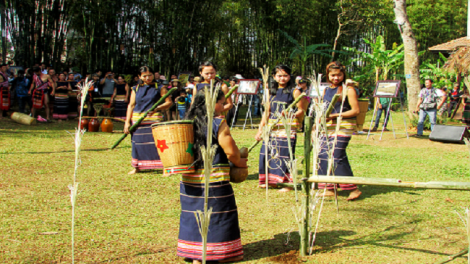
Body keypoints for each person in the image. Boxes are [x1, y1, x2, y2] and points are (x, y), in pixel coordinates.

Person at [178, 90, 246, 264]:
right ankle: (217, 254)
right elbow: (231, 151)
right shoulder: (218, 122)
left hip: (189, 180)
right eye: (222, 103)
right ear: (211, 103)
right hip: (215, 180)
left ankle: (195, 255)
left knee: (193, 215)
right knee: (219, 215)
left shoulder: (187, 122)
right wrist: (240, 164)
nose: (223, 108)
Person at [255, 65, 306, 192]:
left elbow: (302, 110)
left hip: (287, 127)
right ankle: (270, 181)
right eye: (279, 76)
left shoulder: (295, 91)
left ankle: (287, 183)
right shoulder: (270, 91)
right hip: (272, 126)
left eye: (285, 76)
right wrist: (260, 129)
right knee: (267, 153)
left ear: (290, 76)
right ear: (274, 77)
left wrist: (290, 114)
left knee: (284, 155)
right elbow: (267, 112)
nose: (282, 78)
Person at [317, 61, 362, 201]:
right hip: (328, 127)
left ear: (344, 75)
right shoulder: (326, 90)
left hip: (344, 125)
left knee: (336, 154)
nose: (336, 78)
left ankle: (353, 189)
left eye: (339, 75)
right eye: (333, 75)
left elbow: (356, 110)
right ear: (328, 75)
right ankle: (329, 187)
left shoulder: (349, 90)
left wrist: (335, 116)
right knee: (323, 154)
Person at [124, 66, 172, 174]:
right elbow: (131, 105)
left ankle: (165, 167)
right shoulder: (135, 88)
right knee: (137, 143)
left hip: (154, 120)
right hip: (138, 120)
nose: (147, 78)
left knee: (159, 144)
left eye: (149, 75)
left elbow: (169, 102)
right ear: (139, 76)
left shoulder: (159, 87)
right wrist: (127, 122)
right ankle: (137, 166)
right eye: (144, 76)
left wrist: (157, 108)